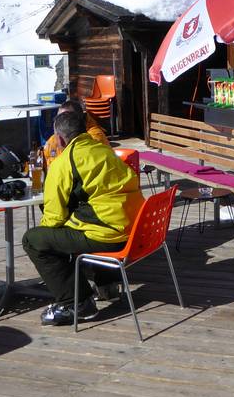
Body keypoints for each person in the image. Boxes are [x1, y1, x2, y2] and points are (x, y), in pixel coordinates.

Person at [22, 110, 143, 326]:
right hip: (134, 230)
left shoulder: (64, 163)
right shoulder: (104, 150)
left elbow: (54, 218)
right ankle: (107, 285)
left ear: (59, 139)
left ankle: (75, 303)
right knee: (84, 221)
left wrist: (49, 236)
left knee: (34, 240)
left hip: (109, 235)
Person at [42, 99, 110, 169]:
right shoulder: (54, 140)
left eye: (66, 118)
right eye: (59, 118)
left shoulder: (94, 137)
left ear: (78, 119)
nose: (61, 121)